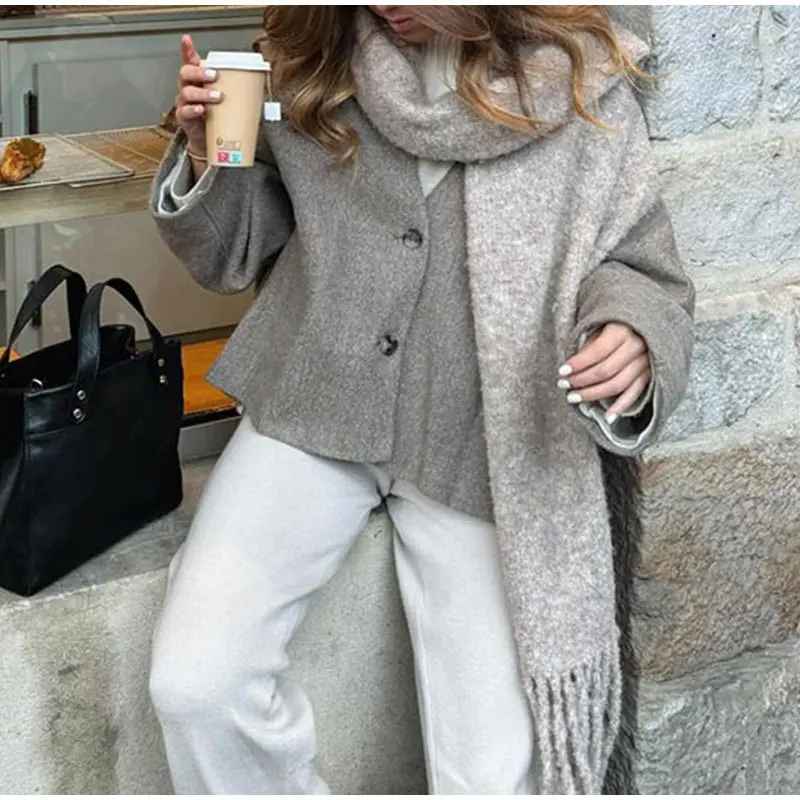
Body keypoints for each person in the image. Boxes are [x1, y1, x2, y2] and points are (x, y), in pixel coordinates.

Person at [148, 6, 695, 795]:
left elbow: (639, 263)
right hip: (315, 402)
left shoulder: (579, 77)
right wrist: (207, 154)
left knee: (495, 778)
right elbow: (235, 255)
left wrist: (632, 333)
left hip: (484, 439)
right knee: (197, 683)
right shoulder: (316, 55)